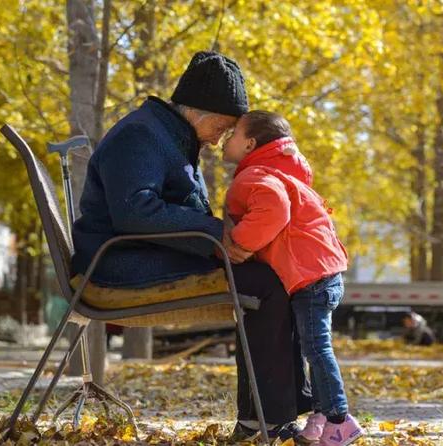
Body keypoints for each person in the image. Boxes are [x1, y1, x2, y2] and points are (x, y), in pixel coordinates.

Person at [71, 52, 311, 441]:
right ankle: (269, 421)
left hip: (142, 255)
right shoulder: (142, 135)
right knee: (268, 285)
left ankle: (263, 419)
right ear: (201, 110)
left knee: (272, 278)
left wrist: (227, 233)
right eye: (225, 126)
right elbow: (135, 211)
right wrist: (216, 235)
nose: (223, 138)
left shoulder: (168, 135)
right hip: (117, 267)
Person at [222, 111, 366, 446]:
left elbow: (273, 210)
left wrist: (236, 244)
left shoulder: (255, 176)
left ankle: (340, 421)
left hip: (310, 279)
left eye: (233, 134)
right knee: (307, 346)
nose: (225, 139)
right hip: (321, 273)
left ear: (250, 144)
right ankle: (318, 417)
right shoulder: (283, 174)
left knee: (316, 349)